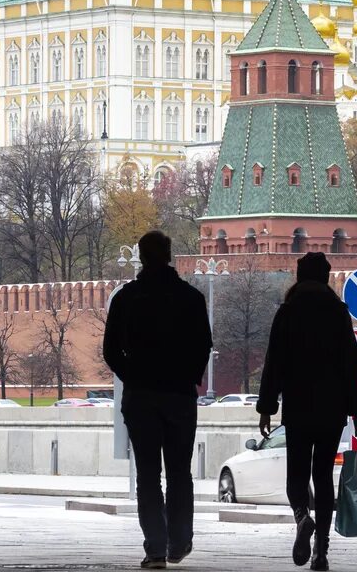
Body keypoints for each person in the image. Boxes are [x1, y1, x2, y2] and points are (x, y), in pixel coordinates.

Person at [103, 231, 213, 570]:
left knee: (148, 474)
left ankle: (155, 548)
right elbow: (203, 345)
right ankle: (179, 541)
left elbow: (110, 351)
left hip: (142, 398)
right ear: (168, 256)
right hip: (180, 397)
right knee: (179, 472)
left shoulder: (127, 298)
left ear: (142, 256)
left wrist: (133, 376)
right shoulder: (191, 298)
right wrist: (189, 377)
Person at [257, 252, 357, 571]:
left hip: (299, 405)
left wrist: (266, 408)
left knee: (297, 473)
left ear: (299, 276)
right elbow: (351, 364)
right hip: (332, 409)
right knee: (323, 475)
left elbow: (273, 363)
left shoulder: (288, 312)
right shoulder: (338, 312)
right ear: (326, 278)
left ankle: (302, 517)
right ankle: (321, 551)